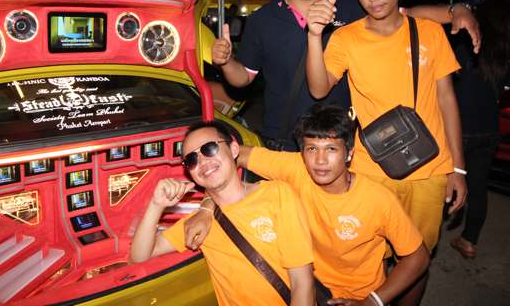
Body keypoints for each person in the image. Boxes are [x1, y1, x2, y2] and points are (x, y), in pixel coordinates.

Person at [304, 0, 467, 305]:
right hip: (370, 169)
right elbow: (318, 87)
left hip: (429, 168)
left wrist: (458, 168)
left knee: (416, 258)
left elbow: (447, 100)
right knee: (369, 256)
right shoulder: (345, 38)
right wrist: (314, 36)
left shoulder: (428, 32)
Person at [212, 0, 480, 151]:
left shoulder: (352, 8)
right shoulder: (263, 19)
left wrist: (455, 10)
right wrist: (226, 62)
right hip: (283, 143)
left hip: (339, 144)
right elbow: (243, 78)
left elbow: (405, 15)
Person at [184, 104, 430, 305]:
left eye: (331, 149)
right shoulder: (296, 168)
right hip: (304, 287)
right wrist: (206, 206)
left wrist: (373, 302)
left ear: (349, 153)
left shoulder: (377, 199)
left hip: (358, 296)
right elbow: (221, 159)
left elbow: (418, 257)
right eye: (311, 149)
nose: (320, 161)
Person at [129, 120, 316, 306]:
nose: (202, 161)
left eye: (209, 148)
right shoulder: (200, 223)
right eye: (192, 159)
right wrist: (156, 205)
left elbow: (302, 284)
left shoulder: (276, 194)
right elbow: (139, 256)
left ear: (234, 150)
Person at [449, 0, 510, 259]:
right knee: (478, 185)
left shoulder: (466, 44)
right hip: (489, 130)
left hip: (459, 128)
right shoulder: (503, 52)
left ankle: (423, 239)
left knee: (443, 182)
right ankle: (469, 240)